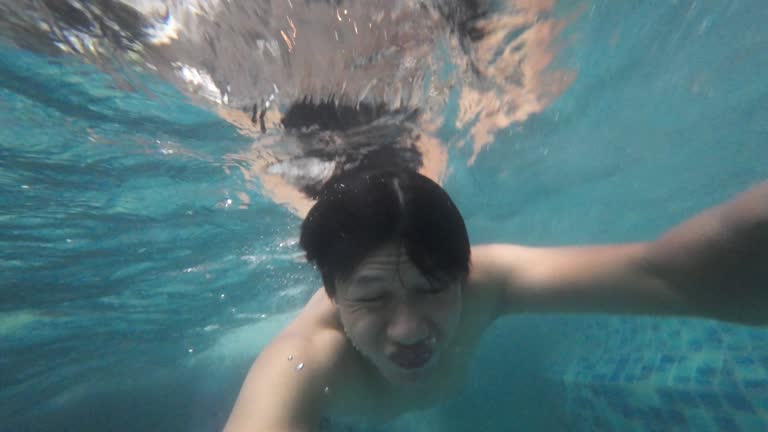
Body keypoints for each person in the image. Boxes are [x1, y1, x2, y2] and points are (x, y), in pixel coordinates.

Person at [223, 168, 768, 432]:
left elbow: (664, 274)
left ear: (464, 276)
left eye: (433, 290)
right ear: (332, 294)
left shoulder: (489, 279)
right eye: (373, 298)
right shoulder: (302, 361)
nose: (408, 329)